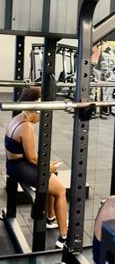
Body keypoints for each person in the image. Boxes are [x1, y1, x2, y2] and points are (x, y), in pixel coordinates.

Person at [5, 86, 68, 247]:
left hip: (13, 164)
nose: (42, 117)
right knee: (61, 190)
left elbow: (29, 156)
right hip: (20, 168)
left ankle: (51, 218)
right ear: (36, 109)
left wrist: (48, 167)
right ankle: (64, 237)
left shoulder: (17, 118)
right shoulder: (26, 127)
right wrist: (47, 168)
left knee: (53, 177)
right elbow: (32, 158)